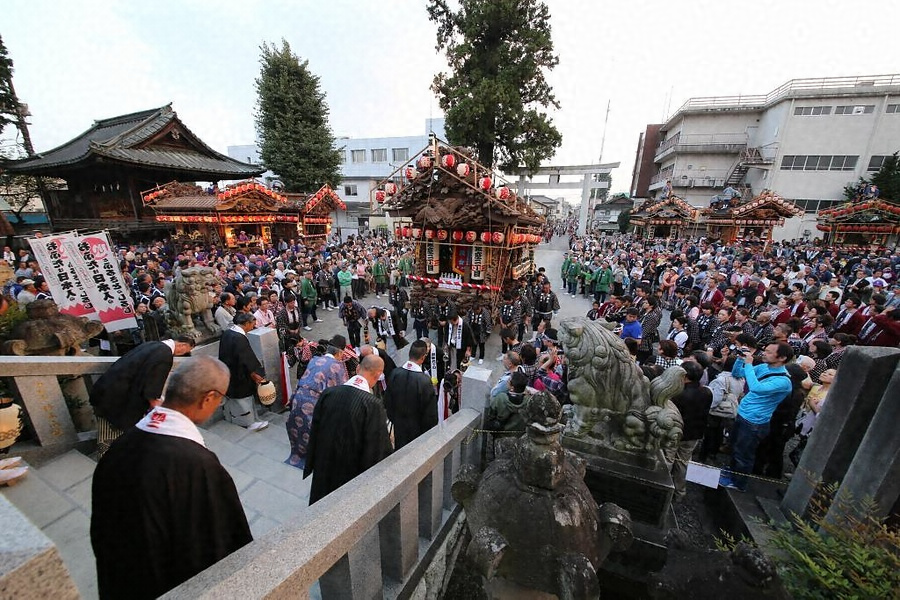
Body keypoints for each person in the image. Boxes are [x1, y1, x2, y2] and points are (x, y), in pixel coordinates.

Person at [90, 357, 252, 599]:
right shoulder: (197, 466)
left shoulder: (120, 446)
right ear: (208, 398)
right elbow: (221, 542)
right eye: (220, 399)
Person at [303, 354, 392, 504]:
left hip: (323, 463)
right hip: (349, 472)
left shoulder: (329, 393)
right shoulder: (373, 405)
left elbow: (315, 430)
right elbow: (376, 448)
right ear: (378, 375)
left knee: (319, 505)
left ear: (357, 368)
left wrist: (311, 462)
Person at [90, 335, 196, 458]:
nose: (183, 353)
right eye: (186, 351)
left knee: (106, 431)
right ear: (182, 345)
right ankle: (108, 464)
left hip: (105, 391)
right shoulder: (164, 355)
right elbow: (152, 391)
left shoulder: (152, 344)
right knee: (112, 438)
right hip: (118, 401)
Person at [719, 342, 794, 492]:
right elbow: (737, 374)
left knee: (744, 453)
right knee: (734, 446)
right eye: (765, 350)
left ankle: (739, 483)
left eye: (769, 352)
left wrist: (748, 364)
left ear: (782, 357)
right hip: (742, 413)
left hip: (755, 422)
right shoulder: (763, 367)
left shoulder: (783, 381)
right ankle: (732, 473)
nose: (764, 353)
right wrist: (740, 359)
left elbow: (756, 388)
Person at [285, 335, 349, 469]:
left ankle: (299, 457)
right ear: (339, 352)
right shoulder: (338, 366)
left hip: (299, 396)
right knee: (315, 430)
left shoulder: (315, 360)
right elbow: (341, 391)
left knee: (298, 428)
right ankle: (315, 461)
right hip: (315, 402)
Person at [665, 361, 711, 500]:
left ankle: (664, 489)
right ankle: (680, 492)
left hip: (676, 433)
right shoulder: (707, 392)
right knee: (683, 462)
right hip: (694, 434)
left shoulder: (678, 394)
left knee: (668, 459)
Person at [218, 312, 270, 432]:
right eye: (252, 324)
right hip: (240, 376)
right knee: (243, 400)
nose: (253, 326)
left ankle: (236, 419)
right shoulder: (239, 338)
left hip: (229, 372)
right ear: (246, 323)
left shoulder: (228, 332)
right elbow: (247, 359)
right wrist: (256, 374)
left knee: (234, 401)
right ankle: (249, 423)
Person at [384, 340, 438, 450]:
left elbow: (387, 402)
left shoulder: (395, 373)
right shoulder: (424, 381)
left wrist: (395, 419)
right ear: (423, 357)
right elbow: (431, 416)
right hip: (417, 431)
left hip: (399, 426)